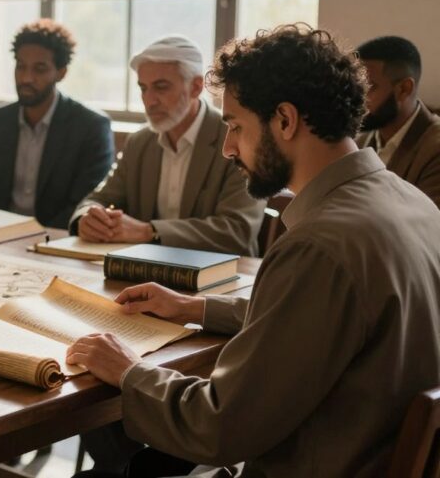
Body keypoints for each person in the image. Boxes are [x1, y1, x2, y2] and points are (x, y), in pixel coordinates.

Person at [68, 25, 440, 477]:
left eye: (235, 126)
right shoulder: (409, 201)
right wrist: (198, 307)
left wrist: (128, 371)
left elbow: (216, 426)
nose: (227, 147)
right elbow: (322, 323)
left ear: (285, 120)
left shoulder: (319, 245)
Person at [69, 36, 264, 256]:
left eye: (161, 87)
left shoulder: (236, 139)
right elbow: (99, 199)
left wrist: (148, 232)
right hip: (148, 272)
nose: (149, 100)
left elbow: (237, 231)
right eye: (143, 88)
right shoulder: (139, 142)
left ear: (196, 87)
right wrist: (87, 218)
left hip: (223, 278)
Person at [0, 19, 114, 228]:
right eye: (21, 66)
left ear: (61, 73)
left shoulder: (90, 127)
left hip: (56, 241)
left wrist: (35, 236)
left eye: (39, 69)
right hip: (0, 238)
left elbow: (86, 204)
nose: (26, 78)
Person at [355, 35, 440, 207]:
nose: (357, 99)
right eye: (356, 87)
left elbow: (427, 227)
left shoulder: (434, 149)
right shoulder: (360, 142)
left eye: (368, 88)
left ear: (404, 89)